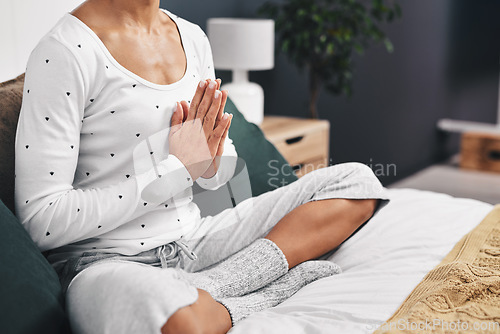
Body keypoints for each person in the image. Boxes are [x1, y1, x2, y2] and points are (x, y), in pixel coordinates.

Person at [15, 0, 389, 333]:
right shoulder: (64, 51)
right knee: (174, 320)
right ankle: (262, 289)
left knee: (356, 183)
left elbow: (216, 176)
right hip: (104, 264)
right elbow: (41, 222)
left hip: (194, 241)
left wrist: (208, 164)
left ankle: (215, 286)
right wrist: (176, 170)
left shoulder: (191, 37)